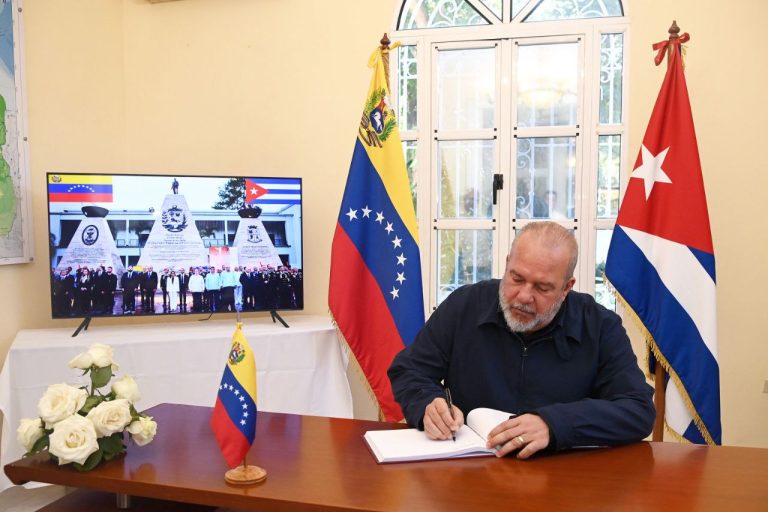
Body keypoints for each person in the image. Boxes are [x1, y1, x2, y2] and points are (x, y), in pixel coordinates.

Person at [388, 221, 654, 460]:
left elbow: (637, 410)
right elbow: (409, 370)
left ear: (566, 288)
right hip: (471, 471)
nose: (524, 296)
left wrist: (554, 425)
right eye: (516, 278)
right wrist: (427, 404)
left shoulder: (599, 326)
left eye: (542, 287)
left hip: (564, 480)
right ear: (506, 265)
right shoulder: (466, 305)